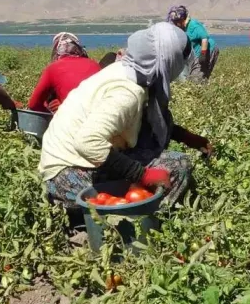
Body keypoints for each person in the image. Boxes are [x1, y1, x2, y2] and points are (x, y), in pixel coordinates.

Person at [38, 22, 212, 211]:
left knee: (149, 149)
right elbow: (87, 142)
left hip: (63, 166)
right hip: (67, 178)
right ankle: (147, 221)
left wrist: (186, 137)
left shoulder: (124, 70)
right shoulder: (128, 91)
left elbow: (144, 122)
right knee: (178, 165)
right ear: (169, 59)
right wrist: (141, 174)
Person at [27, 33, 101, 113]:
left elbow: (33, 105)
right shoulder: (95, 65)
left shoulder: (53, 68)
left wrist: (53, 110)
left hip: (73, 120)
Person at [167, 5, 219, 81]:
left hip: (208, 50)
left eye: (176, 22)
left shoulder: (193, 24)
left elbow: (204, 38)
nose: (175, 24)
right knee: (193, 77)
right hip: (196, 54)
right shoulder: (182, 29)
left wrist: (203, 54)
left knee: (197, 77)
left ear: (181, 20)